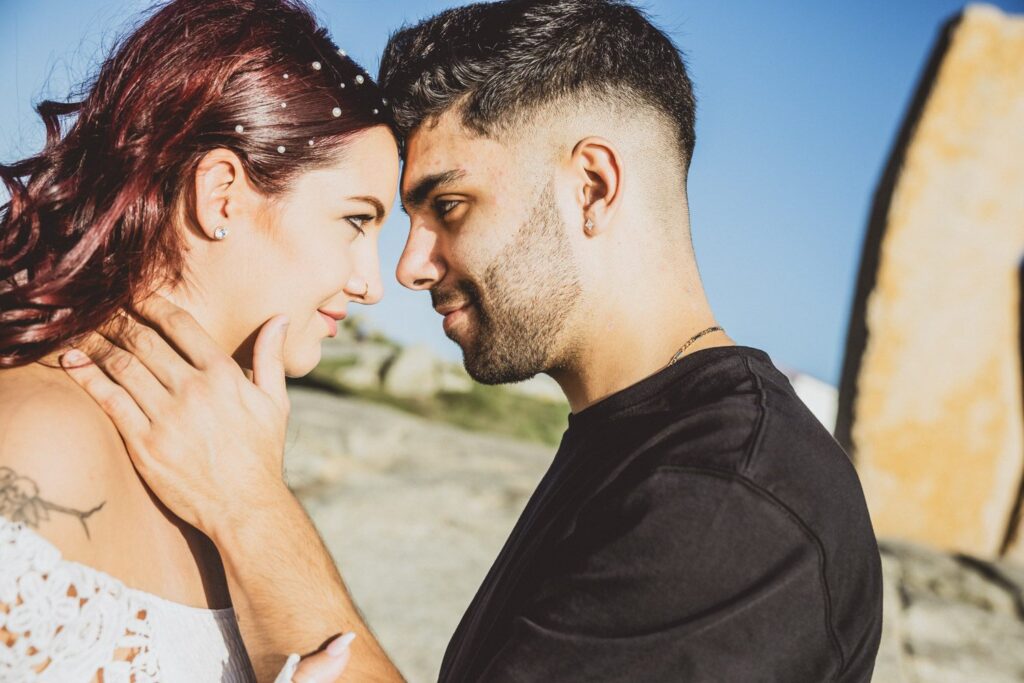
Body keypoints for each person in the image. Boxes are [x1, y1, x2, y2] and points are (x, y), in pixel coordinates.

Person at [62, 0, 885, 681]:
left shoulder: (728, 500)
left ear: (591, 187)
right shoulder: (645, 442)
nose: (409, 268)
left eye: (447, 206)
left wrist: (249, 507)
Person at [0, 0, 400, 680]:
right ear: (221, 196)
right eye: (356, 220)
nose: (373, 284)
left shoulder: (222, 466)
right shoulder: (41, 434)